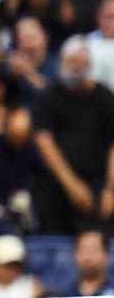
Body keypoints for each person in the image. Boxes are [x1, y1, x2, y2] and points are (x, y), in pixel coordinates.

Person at [33, 35, 114, 234]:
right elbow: (45, 143)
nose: (74, 68)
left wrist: (111, 189)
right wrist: (72, 185)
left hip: (99, 185)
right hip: (59, 186)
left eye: (79, 63)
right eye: (69, 63)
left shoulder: (105, 97)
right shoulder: (48, 96)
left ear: (88, 65)